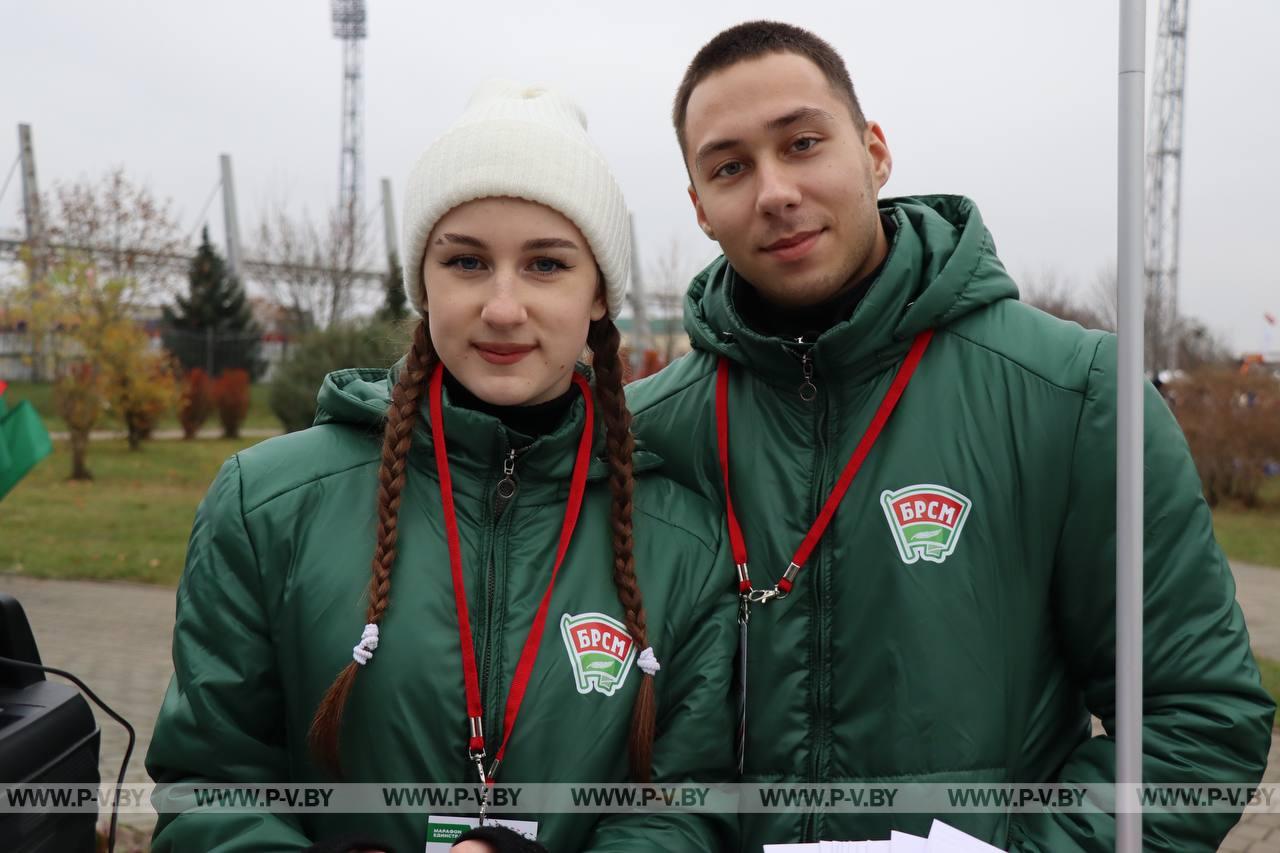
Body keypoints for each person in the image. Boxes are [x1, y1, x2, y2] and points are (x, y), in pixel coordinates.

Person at [626, 20, 1275, 852]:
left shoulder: (1074, 394)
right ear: (700, 209)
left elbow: (1198, 718)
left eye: (803, 142)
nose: (774, 190)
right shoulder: (644, 433)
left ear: (875, 151)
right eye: (730, 167)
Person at [146, 81, 736, 853]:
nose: (501, 305)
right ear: (423, 283)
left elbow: (688, 808)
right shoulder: (268, 503)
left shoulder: (683, 539)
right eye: (465, 260)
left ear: (599, 296)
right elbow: (209, 786)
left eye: (546, 264)